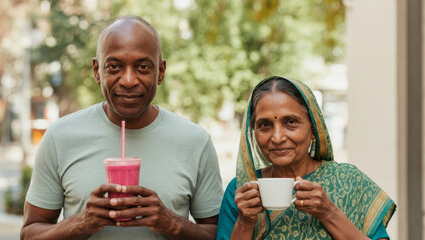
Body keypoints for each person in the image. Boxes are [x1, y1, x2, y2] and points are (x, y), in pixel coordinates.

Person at [20, 15, 223, 240]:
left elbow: (219, 234)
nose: (128, 80)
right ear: (97, 71)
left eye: (143, 67)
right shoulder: (60, 137)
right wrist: (82, 222)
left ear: (161, 72)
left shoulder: (195, 141)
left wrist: (171, 223)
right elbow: (29, 234)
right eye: (114, 66)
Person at [216, 76, 396, 240]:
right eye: (265, 125)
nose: (277, 137)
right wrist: (245, 222)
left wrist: (329, 213)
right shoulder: (242, 191)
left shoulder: (348, 180)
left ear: (313, 129)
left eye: (290, 122)